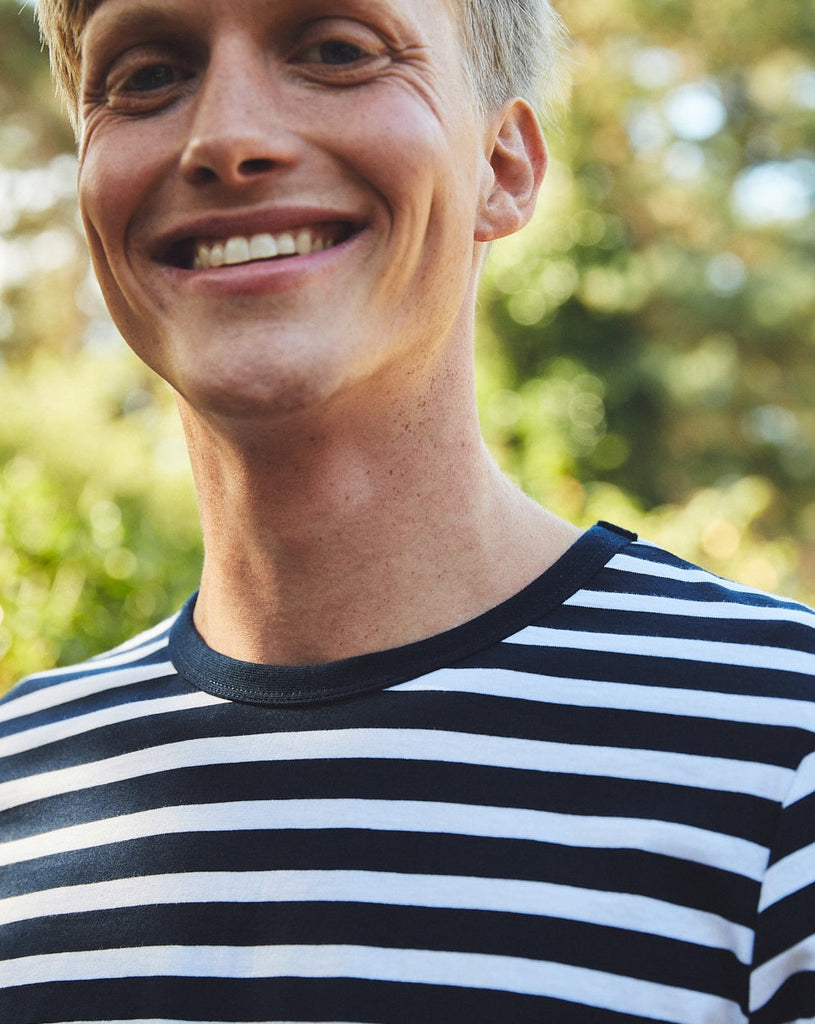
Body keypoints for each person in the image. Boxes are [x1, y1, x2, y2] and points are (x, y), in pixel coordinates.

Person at [2, 0, 815, 1020]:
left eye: (336, 50)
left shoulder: (785, 754)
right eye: (147, 74)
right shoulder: (17, 789)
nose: (224, 139)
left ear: (502, 168)